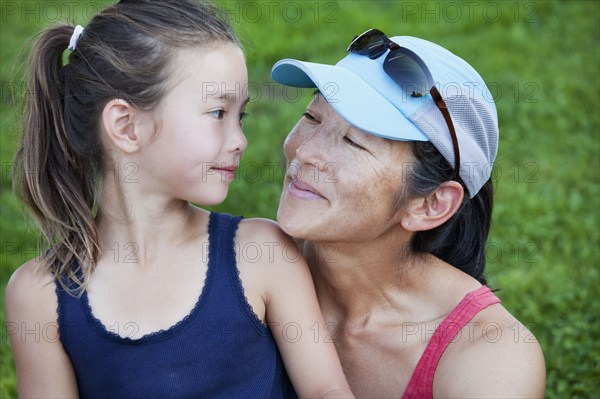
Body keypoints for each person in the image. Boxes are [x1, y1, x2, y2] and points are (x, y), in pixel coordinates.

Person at [5, 1, 355, 397]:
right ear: (126, 126)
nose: (240, 141)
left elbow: (327, 390)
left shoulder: (261, 253)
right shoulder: (41, 295)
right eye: (217, 113)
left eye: (241, 117)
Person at [271, 29, 546, 398]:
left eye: (354, 142)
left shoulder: (492, 357)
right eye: (312, 117)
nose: (305, 152)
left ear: (430, 204)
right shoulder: (251, 267)